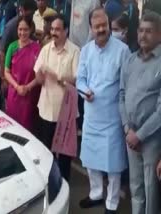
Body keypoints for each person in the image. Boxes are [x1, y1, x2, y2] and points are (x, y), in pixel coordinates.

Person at [76, 8, 129, 214]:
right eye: (96, 26)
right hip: (92, 116)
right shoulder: (86, 50)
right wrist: (84, 91)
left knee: (113, 165)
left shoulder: (122, 50)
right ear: (90, 27)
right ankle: (96, 193)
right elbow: (80, 79)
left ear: (108, 24)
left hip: (113, 118)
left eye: (104, 25)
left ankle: (112, 203)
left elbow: (126, 85)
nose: (101, 30)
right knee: (90, 159)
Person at [119, 11, 161, 214]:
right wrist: (127, 128)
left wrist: (140, 135)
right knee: (136, 188)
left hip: (151, 139)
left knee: (151, 190)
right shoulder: (130, 60)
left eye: (149, 32)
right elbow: (121, 95)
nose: (143, 35)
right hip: (131, 135)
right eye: (141, 31)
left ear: (159, 35)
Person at [34, 14, 80, 182]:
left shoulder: (75, 51)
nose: (54, 32)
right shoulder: (45, 50)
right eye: (52, 29)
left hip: (66, 113)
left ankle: (65, 186)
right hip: (46, 109)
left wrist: (58, 78)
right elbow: (39, 80)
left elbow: (77, 80)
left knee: (65, 156)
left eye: (58, 29)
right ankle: (50, 184)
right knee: (47, 152)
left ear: (66, 31)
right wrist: (40, 74)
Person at [4, 16, 41, 134]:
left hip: (30, 96)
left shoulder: (37, 48)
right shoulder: (12, 47)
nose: (22, 33)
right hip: (14, 94)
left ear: (30, 30)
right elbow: (6, 71)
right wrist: (17, 87)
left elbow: (40, 75)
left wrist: (27, 87)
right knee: (13, 128)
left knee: (28, 128)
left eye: (25, 29)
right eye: (20, 29)